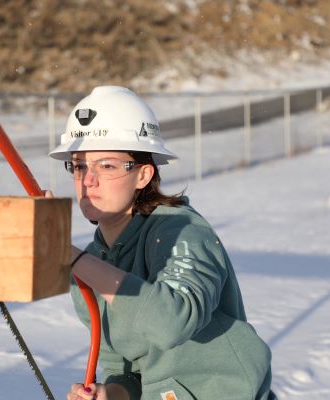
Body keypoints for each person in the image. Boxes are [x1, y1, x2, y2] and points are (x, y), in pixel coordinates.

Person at [48, 86, 276, 400]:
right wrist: (110, 394)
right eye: (79, 165)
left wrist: (74, 259)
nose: (88, 180)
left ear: (143, 175)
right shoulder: (89, 262)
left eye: (107, 165)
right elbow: (123, 366)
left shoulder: (181, 230)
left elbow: (173, 322)